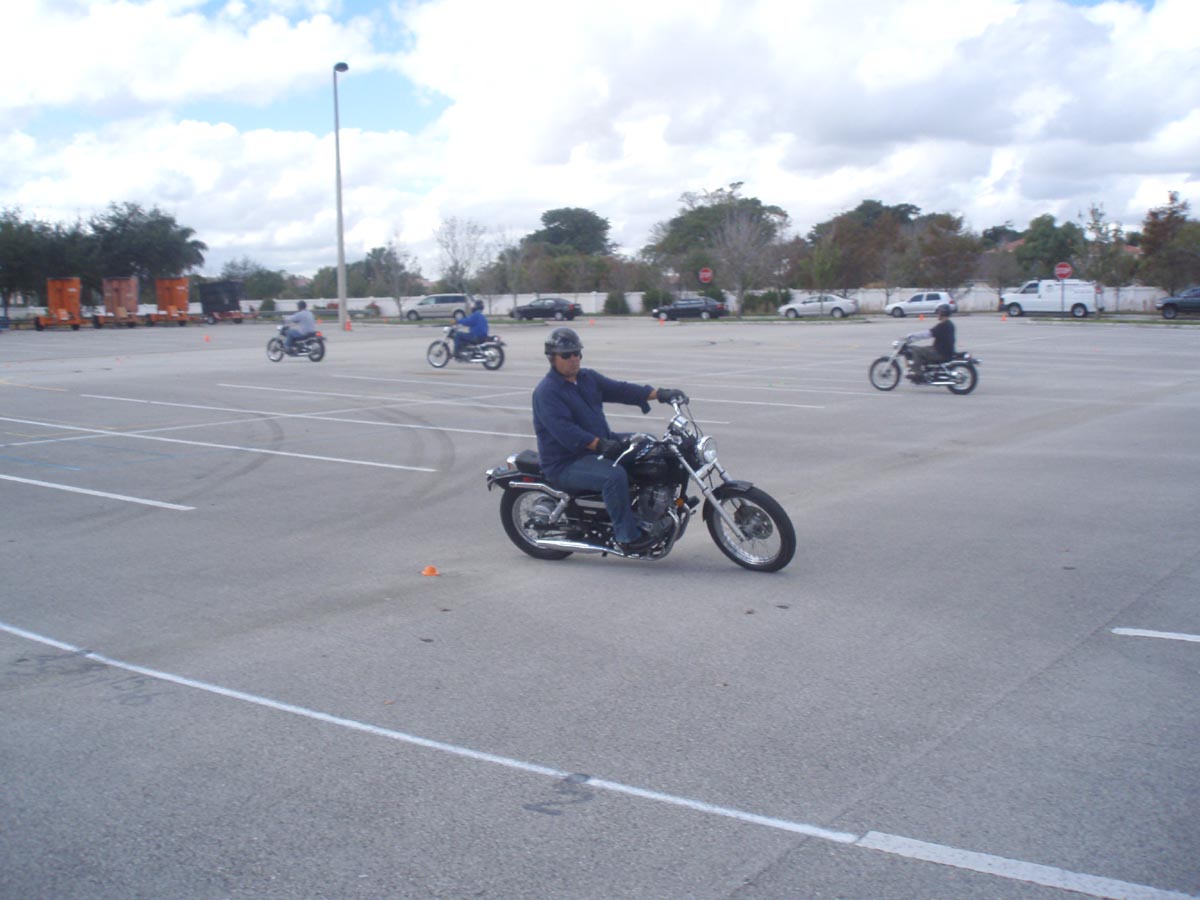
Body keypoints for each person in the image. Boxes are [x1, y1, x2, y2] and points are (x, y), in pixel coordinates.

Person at [532, 327, 688, 553]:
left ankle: (648, 511)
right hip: (566, 461)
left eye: (576, 353)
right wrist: (600, 445)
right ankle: (627, 537)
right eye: (566, 355)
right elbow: (566, 432)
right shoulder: (547, 392)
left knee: (651, 445)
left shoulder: (587, 378)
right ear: (552, 358)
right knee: (613, 476)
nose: (573, 358)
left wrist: (659, 394)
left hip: (600, 445)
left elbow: (620, 390)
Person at [906, 303, 955, 382]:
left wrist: (912, 336)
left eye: (939, 312)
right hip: (944, 351)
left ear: (943, 313)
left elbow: (928, 334)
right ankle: (925, 369)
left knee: (915, 350)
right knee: (923, 349)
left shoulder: (942, 326)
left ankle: (917, 374)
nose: (937, 314)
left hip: (940, 352)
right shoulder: (949, 324)